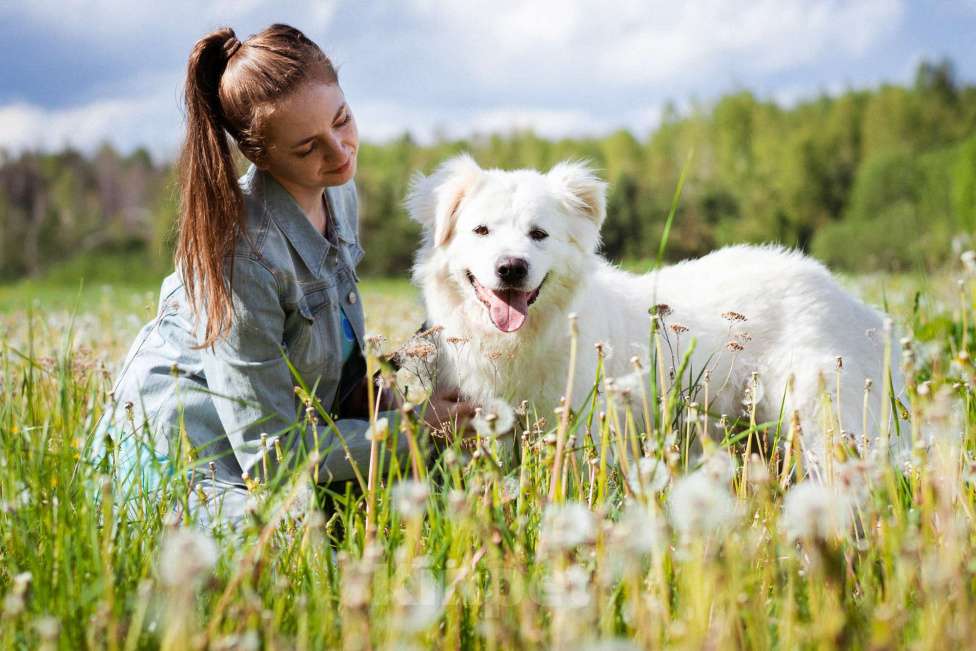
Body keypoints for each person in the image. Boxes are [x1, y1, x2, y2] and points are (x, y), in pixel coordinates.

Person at [94, 24, 473, 525]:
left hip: (273, 442)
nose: (339, 153)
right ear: (260, 155)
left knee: (436, 492)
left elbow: (323, 335)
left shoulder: (336, 188)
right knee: (298, 549)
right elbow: (270, 457)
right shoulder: (243, 259)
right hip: (184, 466)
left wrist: (371, 400)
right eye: (307, 148)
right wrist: (415, 431)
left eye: (342, 121)